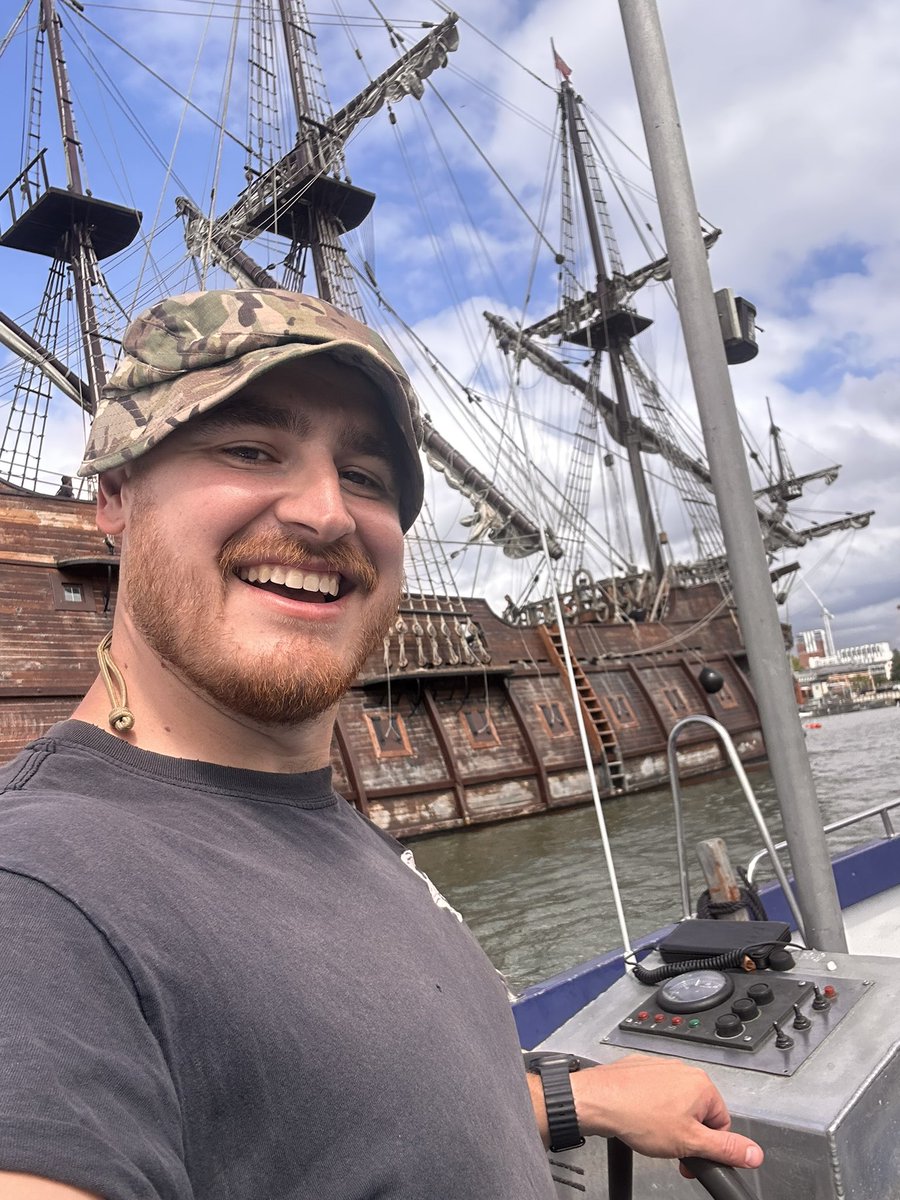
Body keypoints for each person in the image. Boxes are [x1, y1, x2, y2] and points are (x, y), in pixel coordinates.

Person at [0, 288, 763, 1199]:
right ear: (113, 495)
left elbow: (325, 1115)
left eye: (365, 477)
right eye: (249, 449)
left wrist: (573, 1102)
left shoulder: (318, 821)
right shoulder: (39, 899)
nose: (325, 512)